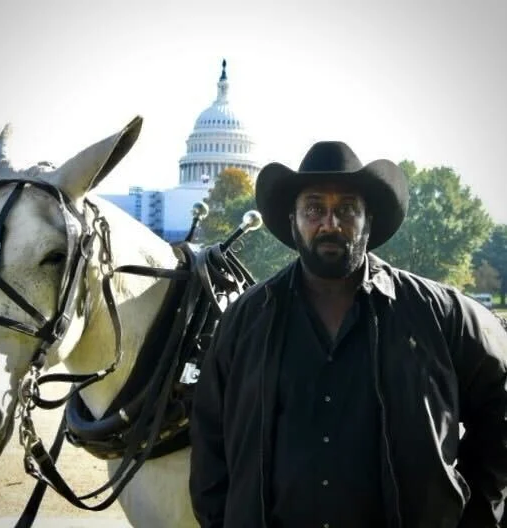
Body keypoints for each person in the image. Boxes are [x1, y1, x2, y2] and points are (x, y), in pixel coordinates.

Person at [189, 141, 507, 528]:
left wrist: (475, 513)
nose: (330, 223)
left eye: (346, 210)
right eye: (314, 208)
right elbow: (209, 443)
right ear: (293, 220)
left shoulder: (438, 315)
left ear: (368, 219)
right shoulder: (245, 321)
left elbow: (500, 400)